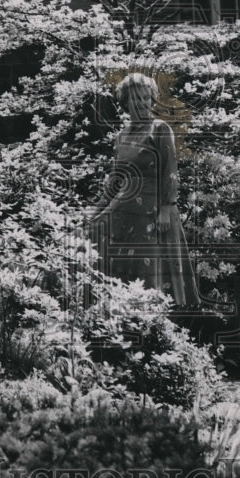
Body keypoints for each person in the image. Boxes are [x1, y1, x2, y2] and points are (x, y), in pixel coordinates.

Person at [90, 73, 199, 307]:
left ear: (152, 101)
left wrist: (166, 208)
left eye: (145, 98)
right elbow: (114, 181)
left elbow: (170, 171)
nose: (140, 104)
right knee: (89, 238)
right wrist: (95, 212)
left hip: (152, 214)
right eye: (135, 99)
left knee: (150, 272)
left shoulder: (160, 129)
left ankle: (157, 327)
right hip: (122, 213)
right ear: (125, 103)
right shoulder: (122, 135)